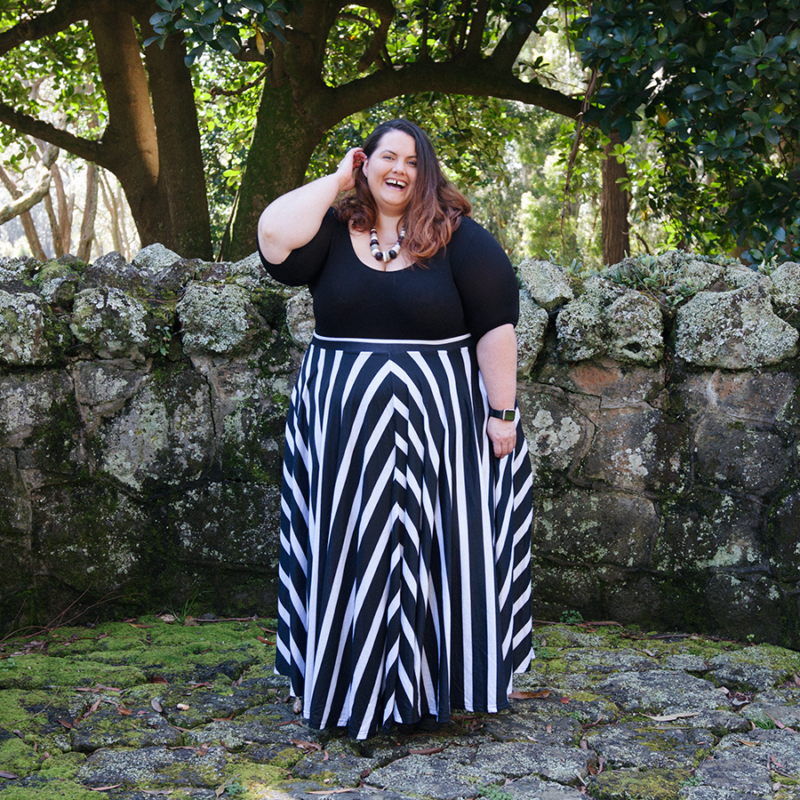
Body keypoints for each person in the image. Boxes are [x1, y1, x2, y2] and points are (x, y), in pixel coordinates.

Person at [257, 119, 533, 740]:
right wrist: (334, 180)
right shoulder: (330, 232)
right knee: (350, 547)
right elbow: (273, 237)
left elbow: (496, 328)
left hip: (441, 429)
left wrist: (503, 412)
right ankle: (343, 681)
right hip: (342, 429)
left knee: (435, 551)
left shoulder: (459, 239)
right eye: (386, 157)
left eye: (411, 160)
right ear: (366, 164)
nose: (399, 170)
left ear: (425, 172)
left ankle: (431, 689)